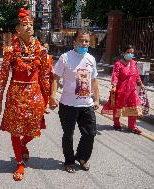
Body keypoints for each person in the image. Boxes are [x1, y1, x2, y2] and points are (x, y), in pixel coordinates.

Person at [0, 8, 51, 181]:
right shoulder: (11, 50)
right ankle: (19, 162)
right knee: (15, 129)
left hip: (35, 94)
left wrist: (48, 99)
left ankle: (22, 145)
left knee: (33, 128)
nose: (28, 27)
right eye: (24, 24)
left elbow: (44, 76)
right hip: (15, 94)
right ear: (18, 29)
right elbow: (3, 76)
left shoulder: (41, 50)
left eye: (30, 24)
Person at [49, 29, 100, 173]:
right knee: (68, 135)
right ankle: (69, 161)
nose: (84, 43)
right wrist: (52, 96)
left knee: (90, 133)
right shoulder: (65, 58)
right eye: (81, 40)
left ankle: (82, 157)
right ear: (74, 42)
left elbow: (94, 80)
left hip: (86, 104)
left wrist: (96, 99)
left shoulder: (91, 59)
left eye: (86, 41)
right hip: (68, 105)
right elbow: (56, 78)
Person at [101, 45, 144, 134]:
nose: (130, 54)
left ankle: (132, 127)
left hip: (132, 91)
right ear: (123, 53)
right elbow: (115, 76)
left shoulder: (134, 63)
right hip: (121, 91)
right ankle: (116, 123)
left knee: (134, 107)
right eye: (128, 52)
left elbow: (136, 74)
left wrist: (140, 82)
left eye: (132, 53)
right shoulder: (118, 64)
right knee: (118, 107)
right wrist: (114, 85)